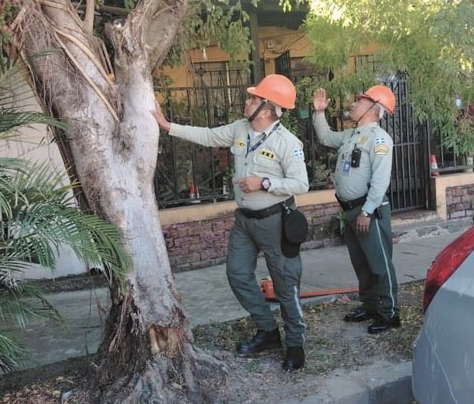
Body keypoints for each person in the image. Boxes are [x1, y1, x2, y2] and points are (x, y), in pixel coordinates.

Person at [150, 74, 310, 370]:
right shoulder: (240, 129)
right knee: (237, 274)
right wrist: (168, 126)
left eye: (253, 98)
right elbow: (209, 136)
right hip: (245, 222)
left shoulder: (288, 143)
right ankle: (268, 331)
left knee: (286, 285)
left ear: (266, 108)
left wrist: (264, 182)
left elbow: (301, 184)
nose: (246, 101)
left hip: (275, 221)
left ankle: (295, 343)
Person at [312, 85, 401, 334]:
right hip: (351, 210)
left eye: (359, 101)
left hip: (367, 211)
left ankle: (390, 313)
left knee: (380, 264)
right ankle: (371, 306)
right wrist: (319, 114)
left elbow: (381, 180)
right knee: (362, 264)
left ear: (373, 108)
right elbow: (326, 138)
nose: (353, 104)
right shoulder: (352, 135)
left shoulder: (380, 139)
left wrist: (367, 211)